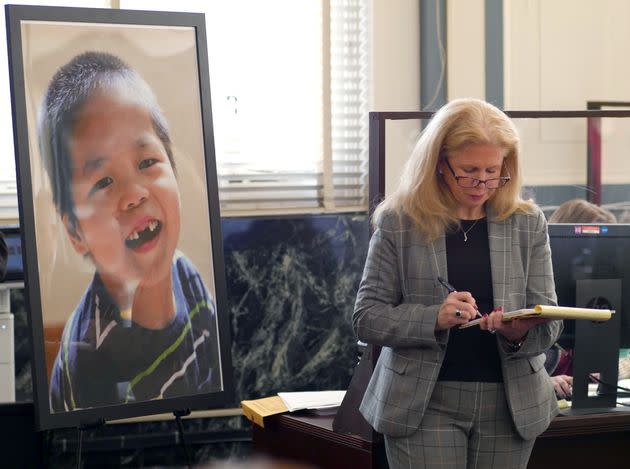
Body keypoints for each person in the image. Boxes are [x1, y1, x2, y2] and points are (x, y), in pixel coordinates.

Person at [352, 98, 562, 469]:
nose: (482, 183)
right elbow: (367, 318)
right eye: (469, 171)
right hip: (424, 402)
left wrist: (519, 332)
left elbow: (551, 323)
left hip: (511, 404)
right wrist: (434, 317)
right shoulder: (400, 222)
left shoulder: (527, 223)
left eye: (493, 171)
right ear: (439, 164)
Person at [38, 51, 221, 412]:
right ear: (75, 231)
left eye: (147, 162)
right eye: (104, 180)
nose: (134, 194)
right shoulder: (87, 355)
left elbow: (213, 390)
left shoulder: (189, 279)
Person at [545, 198, 625, 398]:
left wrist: (615, 370)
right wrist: (541, 381)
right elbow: (511, 365)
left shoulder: (609, 297)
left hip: (595, 400)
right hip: (548, 405)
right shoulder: (539, 296)